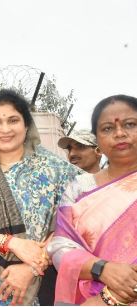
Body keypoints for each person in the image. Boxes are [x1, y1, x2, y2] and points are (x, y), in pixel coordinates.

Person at [0, 89, 80, 306]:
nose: (5, 129)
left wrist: (32, 268)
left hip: (43, 280)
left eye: (13, 120)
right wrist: (12, 244)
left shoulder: (58, 169)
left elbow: (71, 226)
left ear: (26, 125)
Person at [49, 95, 137, 305]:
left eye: (130, 124)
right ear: (97, 140)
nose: (119, 133)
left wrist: (111, 297)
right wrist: (102, 269)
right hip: (88, 297)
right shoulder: (79, 187)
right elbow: (61, 246)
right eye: (107, 128)